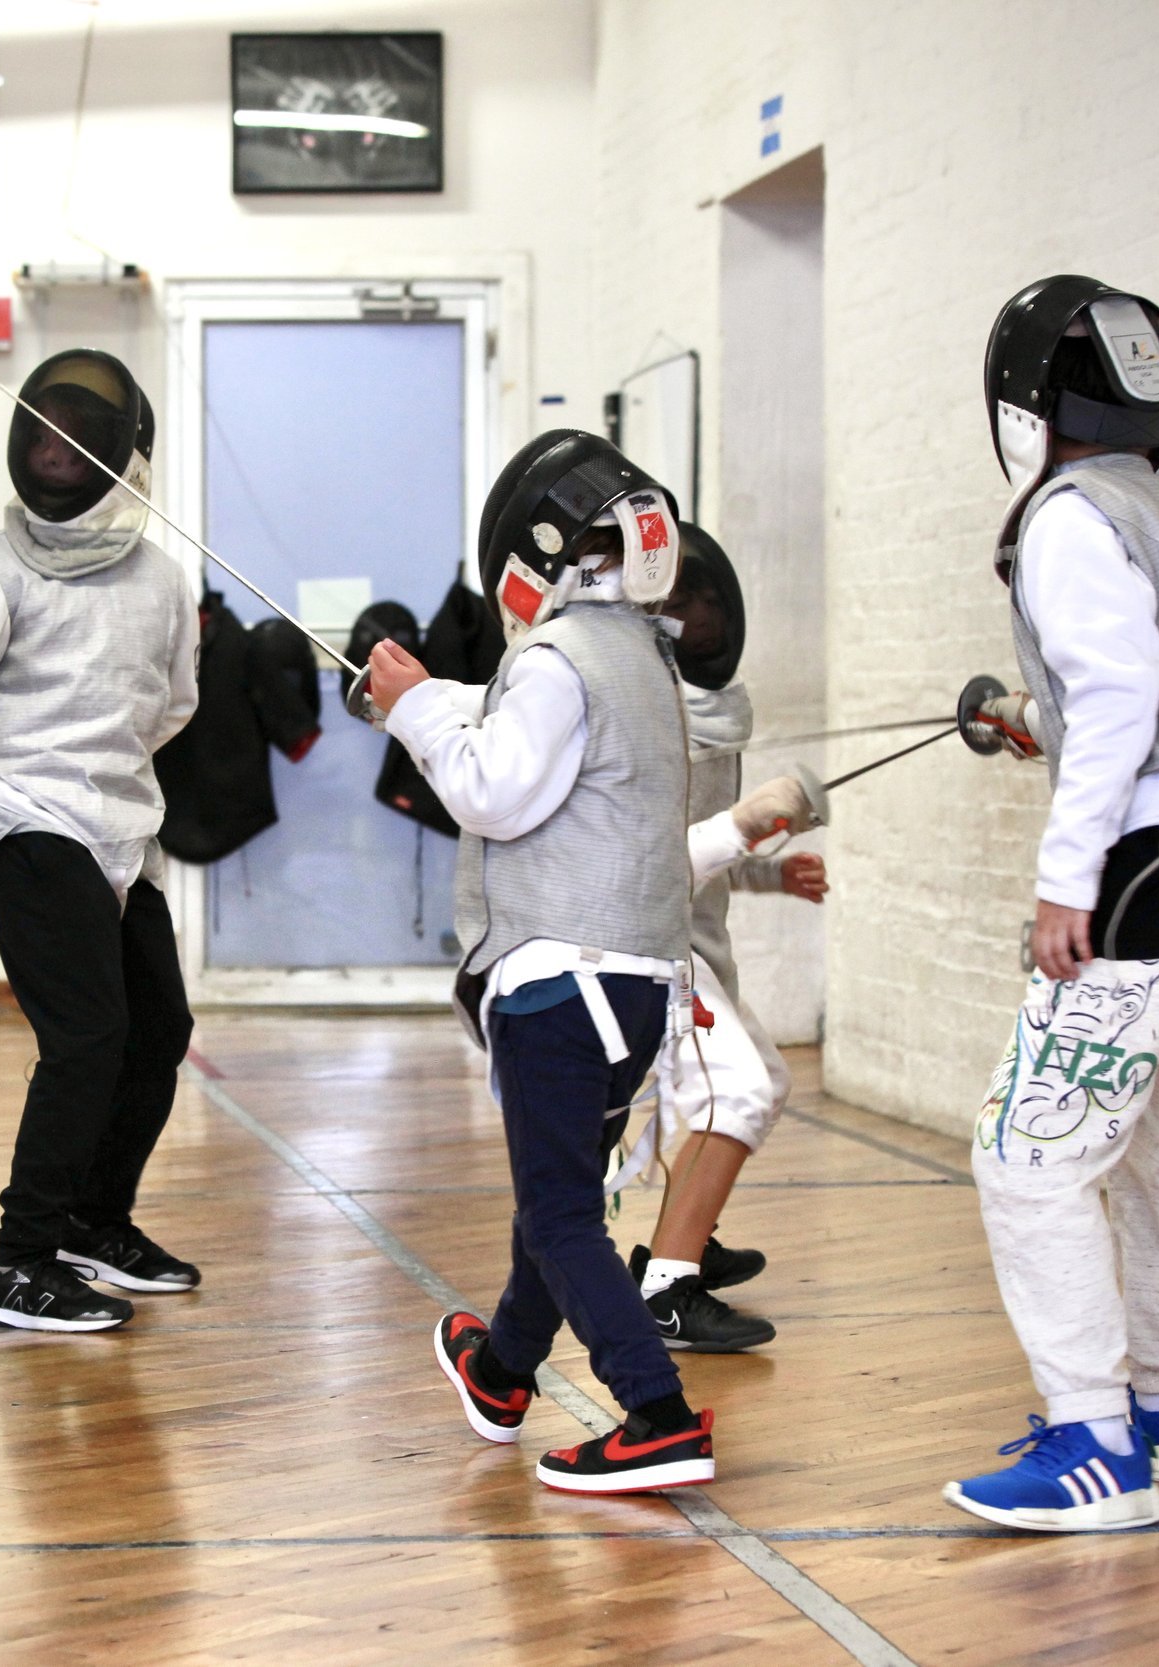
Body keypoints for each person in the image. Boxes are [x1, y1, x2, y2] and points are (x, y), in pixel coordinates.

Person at [370, 430, 822, 1494]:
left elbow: (490, 791)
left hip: (559, 984)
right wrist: (435, 701)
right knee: (558, 1194)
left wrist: (415, 706)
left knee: (560, 1214)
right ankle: (500, 1372)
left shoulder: (557, 657)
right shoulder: (644, 661)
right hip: (636, 987)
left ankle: (655, 1412)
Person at [945, 276, 1159, 1532]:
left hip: (1151, 872)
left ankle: (1093, 1442)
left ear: (1023, 406)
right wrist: (1019, 717)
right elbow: (1141, 697)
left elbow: (1113, 695)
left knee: (1026, 1154)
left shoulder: (1065, 514)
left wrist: (1064, 882)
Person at [0, 349, 201, 1334]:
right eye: (46, 434)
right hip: (28, 814)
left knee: (157, 1030)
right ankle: (18, 1260)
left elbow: (174, 703)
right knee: (85, 1035)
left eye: (80, 437)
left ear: (126, 456)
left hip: (123, 828)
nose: (57, 451)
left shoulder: (165, 578)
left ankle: (93, 1222)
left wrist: (107, 773)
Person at [621, 523, 826, 1354]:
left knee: (762, 1080)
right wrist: (748, 825)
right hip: (653, 944)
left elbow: (707, 848)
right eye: (683, 603)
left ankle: (685, 1237)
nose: (701, 617)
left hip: (698, 941)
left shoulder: (712, 710)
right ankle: (668, 1289)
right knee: (732, 1091)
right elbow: (643, 860)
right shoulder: (643, 714)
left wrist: (772, 873)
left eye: (706, 600)